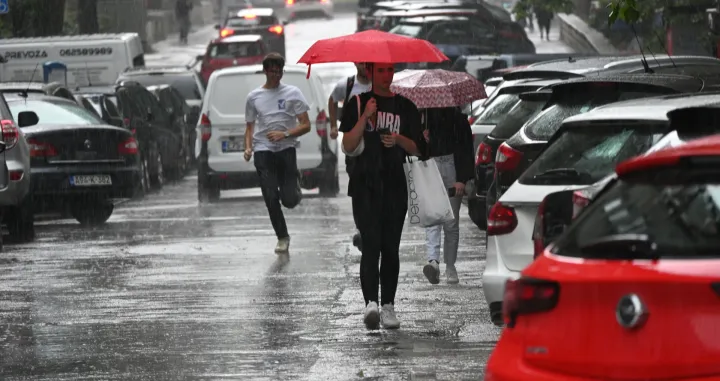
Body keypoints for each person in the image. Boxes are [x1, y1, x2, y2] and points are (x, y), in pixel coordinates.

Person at [340, 62, 427, 330]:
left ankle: (388, 305)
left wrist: (398, 139)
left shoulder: (406, 107)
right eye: (380, 71)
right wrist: (365, 117)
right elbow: (348, 144)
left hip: (395, 187)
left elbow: (421, 149)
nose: (386, 76)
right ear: (370, 72)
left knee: (390, 247)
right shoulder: (357, 102)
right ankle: (371, 305)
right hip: (365, 187)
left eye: (390, 70)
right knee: (371, 245)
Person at [244, 53, 311, 254]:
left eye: (279, 71)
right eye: (273, 71)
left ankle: (294, 182)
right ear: (265, 71)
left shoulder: (293, 93)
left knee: (289, 200)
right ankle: (282, 236)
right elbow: (249, 127)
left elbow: (306, 125)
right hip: (263, 150)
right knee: (270, 195)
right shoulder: (254, 97)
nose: (276, 75)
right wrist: (248, 147)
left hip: (286, 149)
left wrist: (285, 134)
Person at [420, 107, 474, 285]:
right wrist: (422, 138)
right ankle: (433, 261)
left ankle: (450, 265)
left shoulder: (459, 120)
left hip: (452, 167)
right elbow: (415, 147)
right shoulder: (425, 116)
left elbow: (467, 149)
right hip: (431, 166)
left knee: (451, 221)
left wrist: (462, 179)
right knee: (433, 217)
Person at [328, 63, 372, 252]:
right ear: (355, 63)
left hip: (375, 146)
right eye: (361, 63)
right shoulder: (346, 86)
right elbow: (332, 100)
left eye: (368, 63)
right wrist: (333, 125)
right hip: (354, 147)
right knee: (358, 189)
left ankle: (374, 227)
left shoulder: (378, 84)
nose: (365, 66)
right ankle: (362, 228)